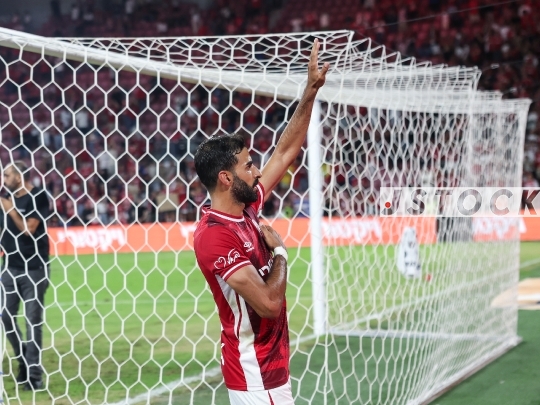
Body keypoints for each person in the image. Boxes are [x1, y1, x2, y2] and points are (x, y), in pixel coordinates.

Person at [193, 39, 329, 404]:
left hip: (269, 371)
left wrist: (310, 91)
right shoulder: (215, 237)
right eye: (249, 166)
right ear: (226, 178)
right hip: (255, 375)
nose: (257, 172)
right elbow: (269, 303)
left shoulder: (247, 207)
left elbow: (284, 152)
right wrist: (280, 253)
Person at [0, 161, 51, 391]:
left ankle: (34, 376)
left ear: (18, 177)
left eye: (7, 175)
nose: (4, 179)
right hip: (9, 268)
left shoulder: (37, 196)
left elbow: (29, 229)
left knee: (33, 322)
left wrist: (10, 209)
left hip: (34, 269)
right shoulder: (5, 199)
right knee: (5, 317)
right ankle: (23, 360)